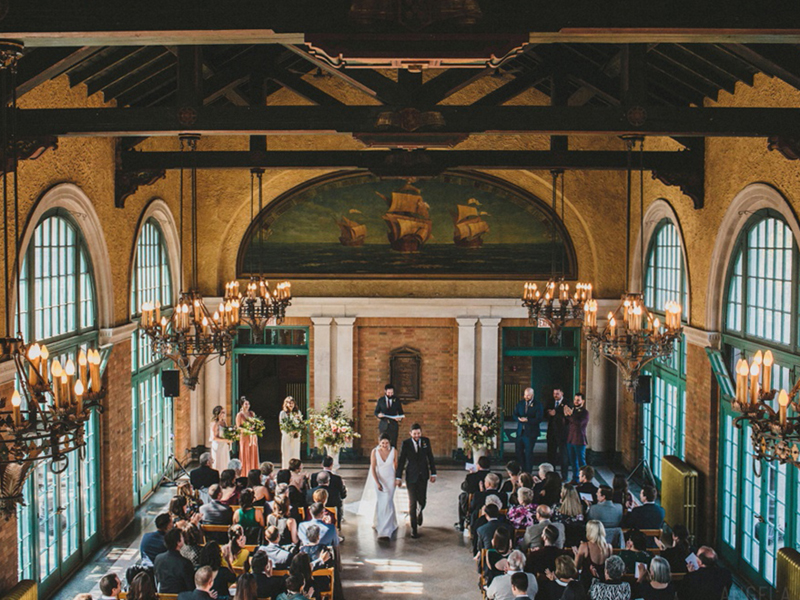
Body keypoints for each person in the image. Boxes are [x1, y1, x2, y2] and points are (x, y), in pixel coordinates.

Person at [395, 423, 437, 539]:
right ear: (410, 433)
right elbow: (402, 460)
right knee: (412, 502)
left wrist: (433, 473)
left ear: (421, 433)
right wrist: (398, 477)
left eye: (418, 433)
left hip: (423, 475)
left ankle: (420, 511)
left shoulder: (426, 442)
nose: (417, 435)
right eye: (414, 434)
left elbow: (430, 457)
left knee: (422, 500)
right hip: (411, 476)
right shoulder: (406, 444)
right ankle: (414, 528)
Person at [365, 433, 398, 538]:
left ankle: (386, 529)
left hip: (390, 479)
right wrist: (377, 482)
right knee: (381, 502)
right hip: (379, 479)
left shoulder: (394, 451)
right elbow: (373, 468)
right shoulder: (374, 452)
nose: (384, 445)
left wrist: (397, 479)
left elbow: (396, 466)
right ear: (379, 443)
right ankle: (379, 523)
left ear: (389, 442)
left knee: (388, 501)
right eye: (382, 443)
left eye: (386, 443)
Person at [457, 454, 493, 531]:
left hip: (475, 502)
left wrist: (470, 474)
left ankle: (461, 523)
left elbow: (464, 487)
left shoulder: (472, 477)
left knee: (462, 495)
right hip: (490, 500)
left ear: (478, 466)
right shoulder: (494, 476)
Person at [153, 528, 195, 593]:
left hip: (162, 594)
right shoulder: (185, 563)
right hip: (180, 596)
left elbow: (157, 579)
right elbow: (191, 587)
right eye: (182, 537)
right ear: (178, 542)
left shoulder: (158, 558)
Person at [513, 388, 544, 474]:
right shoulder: (520, 403)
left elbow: (539, 418)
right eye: (525, 395)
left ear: (532, 395)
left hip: (531, 433)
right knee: (519, 452)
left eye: (528, 395)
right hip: (520, 432)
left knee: (528, 453)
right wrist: (519, 419)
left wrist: (528, 420)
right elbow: (514, 414)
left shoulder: (538, 405)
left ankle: (528, 472)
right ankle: (522, 470)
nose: (526, 397)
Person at [545, 387, 572, 479]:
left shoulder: (567, 402)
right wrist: (549, 413)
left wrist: (555, 413)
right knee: (551, 455)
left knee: (563, 455)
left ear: (562, 393)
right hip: (551, 432)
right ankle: (551, 475)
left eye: (557, 394)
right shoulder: (550, 401)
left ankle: (564, 475)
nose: (555, 396)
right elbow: (545, 412)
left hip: (563, 433)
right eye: (554, 394)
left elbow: (568, 416)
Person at [311, 455, 347, 521]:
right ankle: (338, 520)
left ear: (322, 464)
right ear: (332, 465)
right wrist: (344, 488)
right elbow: (343, 495)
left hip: (317, 505)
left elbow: (313, 489)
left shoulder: (314, 476)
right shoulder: (337, 478)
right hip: (333, 505)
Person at [564, 392, 589, 483]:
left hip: (579, 440)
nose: (576, 402)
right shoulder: (573, 410)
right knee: (573, 461)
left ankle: (585, 480)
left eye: (578, 400)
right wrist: (565, 415)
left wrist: (570, 415)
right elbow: (567, 423)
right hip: (570, 439)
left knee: (581, 462)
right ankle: (575, 478)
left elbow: (579, 423)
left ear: (583, 401)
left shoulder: (585, 413)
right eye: (575, 400)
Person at [374, 383, 404, 447]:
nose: (390, 394)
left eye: (392, 393)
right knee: (382, 443)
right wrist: (379, 415)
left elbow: (401, 413)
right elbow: (376, 412)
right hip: (383, 425)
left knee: (393, 443)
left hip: (393, 425)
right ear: (385, 391)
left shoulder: (397, 400)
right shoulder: (381, 400)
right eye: (389, 393)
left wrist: (399, 418)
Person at [236, 397, 260, 474]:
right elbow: (238, 427)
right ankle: (245, 473)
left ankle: (254, 472)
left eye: (248, 404)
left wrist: (256, 428)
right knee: (245, 454)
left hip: (252, 437)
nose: (247, 405)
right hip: (245, 437)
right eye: (246, 404)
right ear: (242, 405)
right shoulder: (239, 415)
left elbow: (256, 423)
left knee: (253, 453)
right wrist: (246, 430)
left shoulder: (252, 413)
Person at [279, 396, 303, 470]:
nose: (290, 404)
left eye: (292, 403)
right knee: (287, 454)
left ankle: (296, 469)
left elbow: (301, 424)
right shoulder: (283, 413)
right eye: (289, 403)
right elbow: (282, 425)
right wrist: (289, 431)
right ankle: (286, 469)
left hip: (295, 437)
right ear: (286, 404)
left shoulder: (298, 412)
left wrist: (297, 431)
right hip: (287, 437)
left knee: (295, 453)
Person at [210, 405, 232, 474]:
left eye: (224, 412)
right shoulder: (214, 423)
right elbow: (214, 437)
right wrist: (226, 440)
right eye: (222, 412)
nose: (224, 414)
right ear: (218, 413)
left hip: (224, 445)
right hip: (218, 446)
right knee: (218, 463)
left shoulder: (224, 422)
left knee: (225, 462)